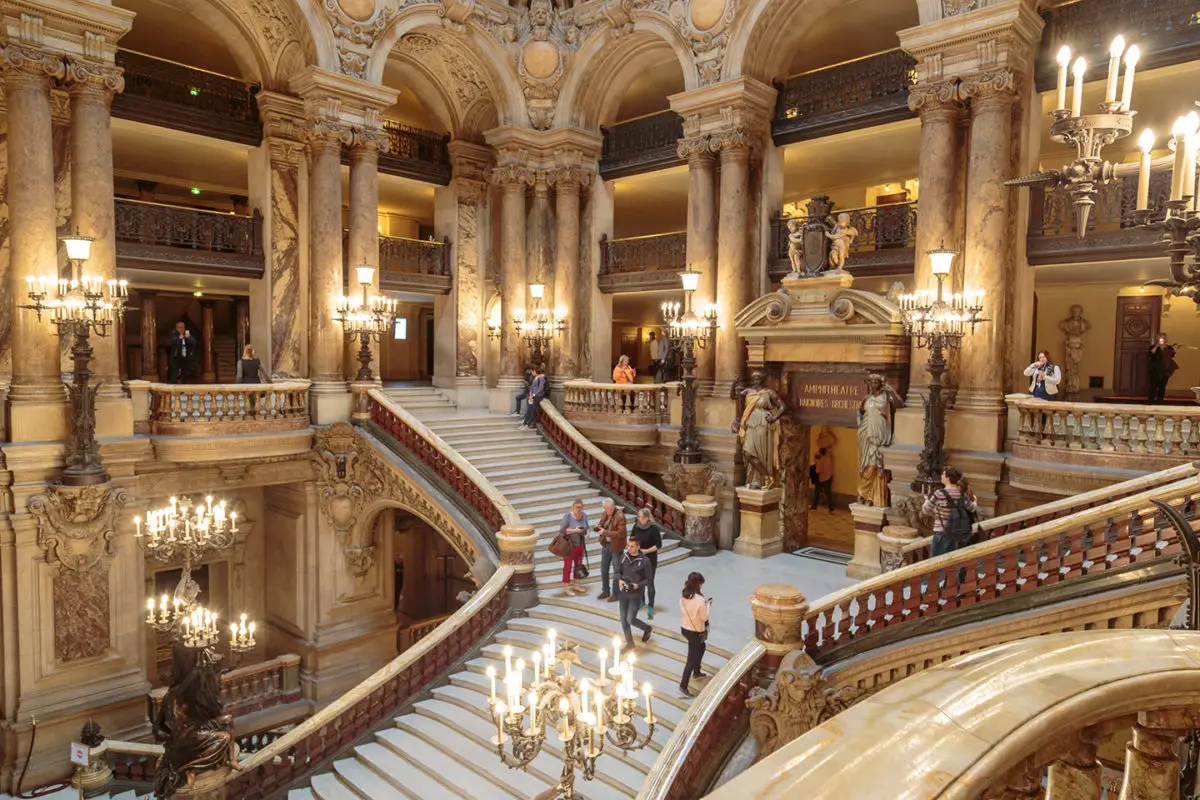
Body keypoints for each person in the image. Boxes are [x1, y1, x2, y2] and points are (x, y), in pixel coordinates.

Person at [731, 372, 786, 489]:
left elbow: (783, 407)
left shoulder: (768, 393)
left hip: (763, 423)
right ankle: (767, 476)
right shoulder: (747, 392)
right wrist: (734, 384)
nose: (756, 381)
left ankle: (760, 480)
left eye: (758, 379)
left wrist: (774, 417)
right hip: (751, 422)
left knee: (760, 452)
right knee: (747, 452)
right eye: (754, 379)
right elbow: (734, 397)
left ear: (762, 380)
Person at [857, 374, 904, 507]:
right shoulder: (867, 399)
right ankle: (864, 494)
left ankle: (871, 496)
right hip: (867, 438)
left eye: (875, 382)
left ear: (880, 384)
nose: (873, 385)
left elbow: (900, 404)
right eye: (871, 382)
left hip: (881, 439)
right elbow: (860, 414)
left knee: (875, 467)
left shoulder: (886, 397)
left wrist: (892, 392)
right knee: (867, 466)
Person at [921, 466, 979, 558]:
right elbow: (972, 508)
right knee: (953, 562)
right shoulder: (961, 494)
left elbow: (925, 510)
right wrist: (975, 501)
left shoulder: (939, 493)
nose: (941, 476)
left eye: (943, 475)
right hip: (957, 534)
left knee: (936, 562)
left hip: (941, 533)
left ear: (948, 478)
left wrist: (926, 500)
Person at [617, 537, 653, 649]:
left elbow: (649, 579)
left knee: (630, 619)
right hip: (624, 592)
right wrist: (619, 580)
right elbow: (618, 571)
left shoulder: (645, 561)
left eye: (632, 546)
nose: (629, 548)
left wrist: (638, 585)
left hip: (635, 594)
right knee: (623, 621)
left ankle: (647, 628)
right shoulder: (624, 557)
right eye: (628, 545)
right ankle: (630, 644)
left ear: (638, 547)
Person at [678, 572, 710, 698]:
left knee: (701, 647)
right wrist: (708, 606)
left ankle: (697, 671)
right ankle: (683, 685)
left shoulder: (684, 594)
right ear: (698, 584)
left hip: (685, 628)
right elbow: (704, 617)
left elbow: (681, 607)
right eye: (701, 584)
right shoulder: (700, 599)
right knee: (691, 658)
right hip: (695, 631)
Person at [630, 507, 663, 619]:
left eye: (639, 516)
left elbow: (658, 545)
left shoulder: (653, 528)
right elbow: (632, 539)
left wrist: (646, 551)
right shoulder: (636, 526)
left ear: (646, 517)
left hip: (650, 558)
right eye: (638, 516)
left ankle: (651, 605)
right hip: (638, 557)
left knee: (649, 582)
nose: (638, 518)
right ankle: (641, 601)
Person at [594, 497, 627, 602]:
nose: (605, 511)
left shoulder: (620, 516)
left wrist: (605, 532)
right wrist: (597, 527)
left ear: (612, 506)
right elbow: (602, 524)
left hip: (616, 546)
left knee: (617, 571)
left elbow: (621, 533)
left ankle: (616, 593)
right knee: (604, 569)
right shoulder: (605, 513)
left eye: (607, 508)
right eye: (604, 508)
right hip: (606, 544)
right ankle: (606, 590)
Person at [558, 499, 589, 596]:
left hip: (580, 545)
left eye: (580, 507)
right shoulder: (567, 516)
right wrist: (574, 530)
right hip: (569, 546)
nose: (579, 509)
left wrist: (587, 533)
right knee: (567, 566)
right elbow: (562, 530)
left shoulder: (584, 515)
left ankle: (576, 584)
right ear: (573, 507)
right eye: (577, 507)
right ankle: (566, 586)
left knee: (578, 565)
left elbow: (587, 527)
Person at [1148, 334, 1178, 404]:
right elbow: (1151, 353)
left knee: (1162, 386)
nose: (1162, 339)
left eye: (1163, 338)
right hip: (1154, 369)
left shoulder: (1169, 347)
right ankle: (1151, 401)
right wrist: (1157, 346)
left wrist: (1174, 351)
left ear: (1166, 339)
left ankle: (1160, 401)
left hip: (1165, 369)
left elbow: (1171, 356)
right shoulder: (1153, 347)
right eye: (1160, 338)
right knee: (1153, 385)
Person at [811, 447, 834, 512]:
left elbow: (817, 471)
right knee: (828, 494)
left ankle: (814, 506)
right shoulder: (829, 460)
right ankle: (831, 507)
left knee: (817, 493)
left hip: (822, 478)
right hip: (829, 478)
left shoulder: (820, 461)